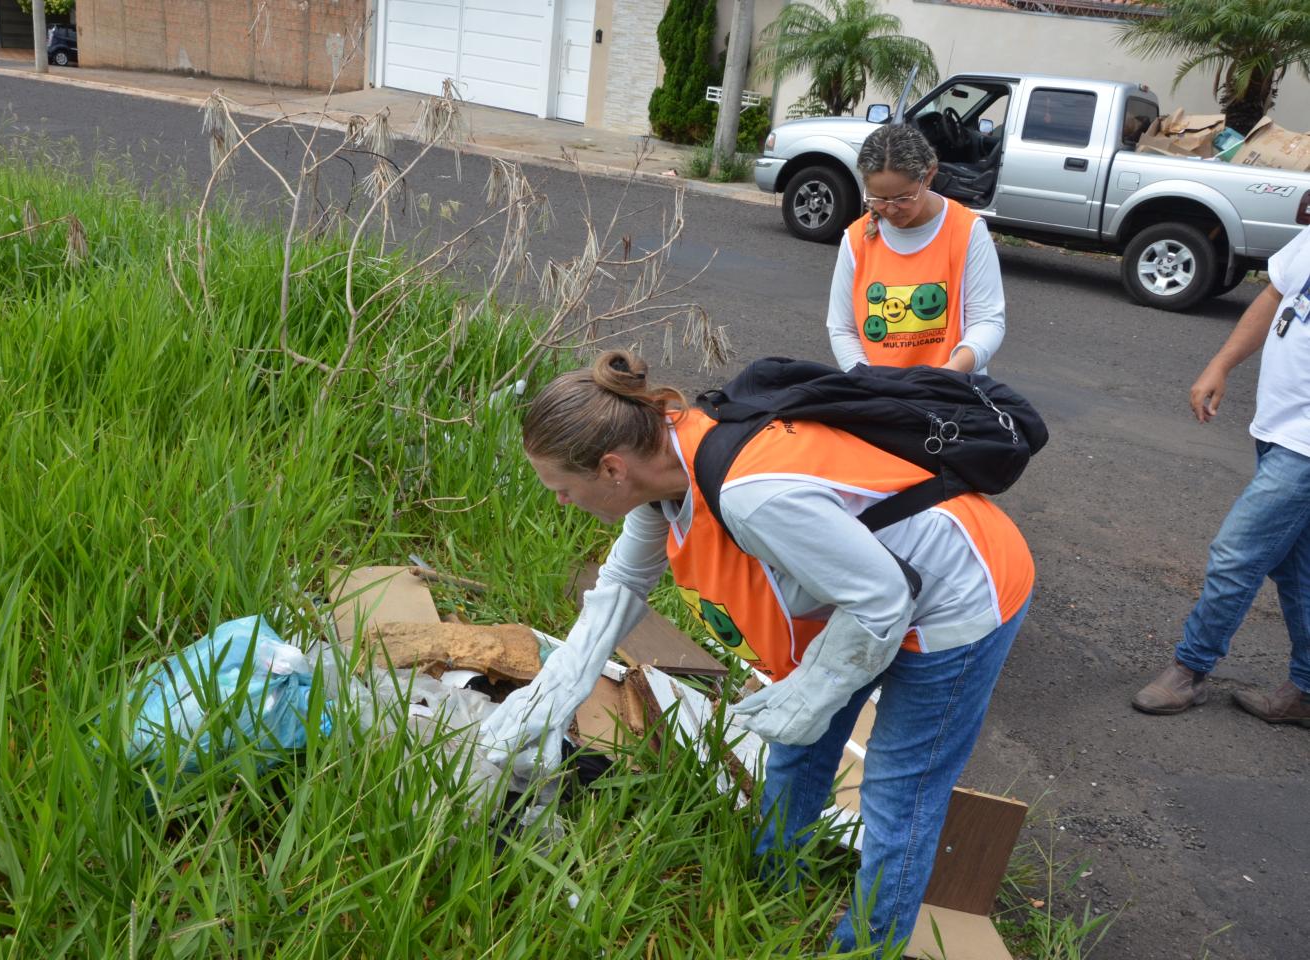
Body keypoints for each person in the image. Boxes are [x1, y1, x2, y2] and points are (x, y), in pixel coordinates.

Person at [480, 350, 1035, 952]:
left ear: (612, 467)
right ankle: (773, 893)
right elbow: (620, 588)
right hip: (857, 587)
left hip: (960, 590)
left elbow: (883, 602)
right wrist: (550, 695)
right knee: (796, 751)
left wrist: (811, 692)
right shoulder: (666, 475)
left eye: (562, 488)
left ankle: (864, 949)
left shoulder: (753, 497)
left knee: (899, 793)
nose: (561, 502)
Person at [1132, 226, 1310, 727]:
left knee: (1238, 553)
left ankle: (1189, 670)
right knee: (1297, 570)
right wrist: (1221, 363)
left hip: (1305, 446)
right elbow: (1276, 295)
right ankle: (1306, 691)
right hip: (1278, 426)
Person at [828, 124, 1005, 373]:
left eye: (903, 198)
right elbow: (842, 329)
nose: (890, 209)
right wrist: (870, 382)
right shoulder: (856, 239)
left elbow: (987, 322)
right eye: (879, 198)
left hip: (952, 389)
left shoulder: (967, 231)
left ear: (929, 175)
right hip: (879, 394)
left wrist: (946, 376)